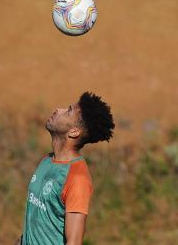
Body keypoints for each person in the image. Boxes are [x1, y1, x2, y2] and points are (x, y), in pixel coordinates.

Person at [15, 91, 115, 245]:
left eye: (68, 111)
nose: (58, 110)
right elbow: (36, 225)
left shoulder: (77, 178)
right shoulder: (46, 161)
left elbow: (74, 242)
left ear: (74, 132)